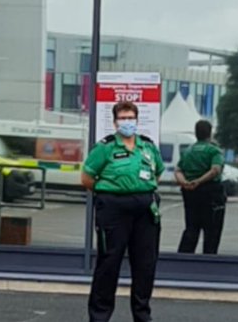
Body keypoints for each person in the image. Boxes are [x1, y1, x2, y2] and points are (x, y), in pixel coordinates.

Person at [83, 102, 165, 322]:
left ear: (137, 120)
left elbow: (157, 174)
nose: (127, 122)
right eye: (123, 118)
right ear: (115, 122)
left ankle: (142, 315)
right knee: (109, 263)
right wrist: (111, 195)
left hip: (145, 211)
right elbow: (87, 178)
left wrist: (141, 191)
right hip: (114, 210)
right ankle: (99, 316)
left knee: (145, 265)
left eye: (131, 117)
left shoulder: (147, 146)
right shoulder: (105, 147)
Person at [175, 119, 226, 254]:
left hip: (190, 193)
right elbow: (215, 170)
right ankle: (208, 263)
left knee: (191, 228)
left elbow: (178, 170)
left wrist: (185, 182)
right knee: (212, 232)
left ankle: (183, 260)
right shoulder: (214, 151)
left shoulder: (188, 151)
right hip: (211, 194)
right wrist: (199, 181)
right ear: (210, 133)